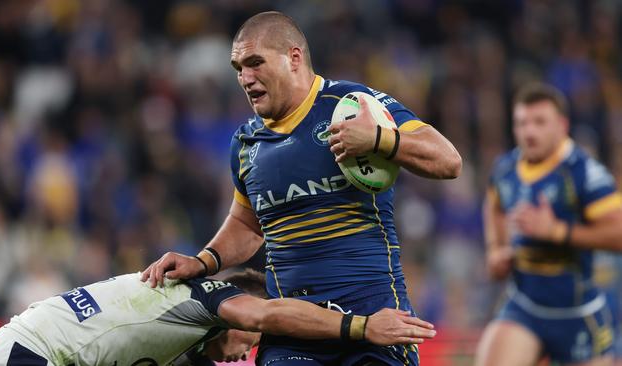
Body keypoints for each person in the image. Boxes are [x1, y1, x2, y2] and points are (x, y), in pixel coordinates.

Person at [142, 11, 461, 365]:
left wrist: (380, 138)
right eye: (238, 68)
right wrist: (202, 262)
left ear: (293, 58)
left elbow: (448, 161)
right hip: (294, 333)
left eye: (255, 63)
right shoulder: (246, 142)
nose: (245, 78)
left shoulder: (351, 103)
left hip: (375, 319)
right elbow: (248, 224)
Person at [0, 269, 435, 366]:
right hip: (29, 354)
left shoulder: (182, 339)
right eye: (252, 341)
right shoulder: (204, 298)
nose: (245, 355)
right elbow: (269, 313)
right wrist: (361, 326)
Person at [475, 83, 622, 366]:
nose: (529, 132)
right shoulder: (505, 168)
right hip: (525, 306)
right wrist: (496, 248)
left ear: (562, 125)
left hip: (578, 313)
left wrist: (557, 231)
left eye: (539, 122)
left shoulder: (585, 174)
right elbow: (493, 204)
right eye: (521, 123)